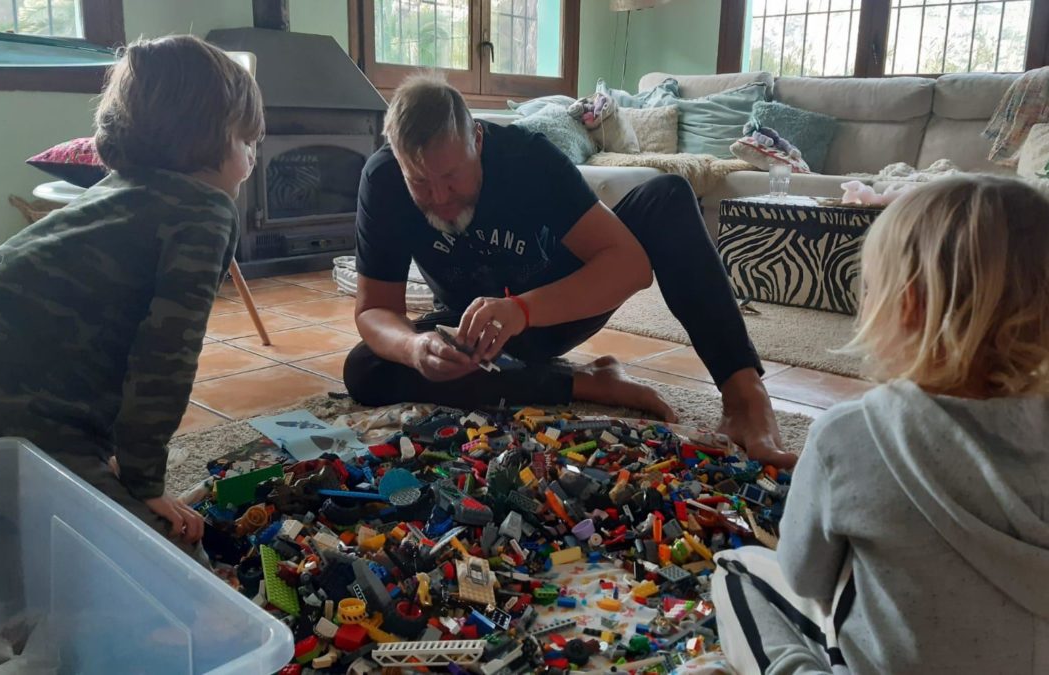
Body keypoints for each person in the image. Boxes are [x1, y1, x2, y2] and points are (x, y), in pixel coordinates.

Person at [343, 74, 794, 468]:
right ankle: (584, 383)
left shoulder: (529, 158)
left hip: (556, 308)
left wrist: (521, 309)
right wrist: (415, 347)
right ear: (397, 160)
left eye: (453, 177)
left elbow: (631, 267)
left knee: (668, 198)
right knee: (365, 368)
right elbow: (375, 311)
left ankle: (743, 397)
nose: (440, 197)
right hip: (474, 339)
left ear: (477, 140)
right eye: (419, 182)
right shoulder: (382, 180)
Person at [712, 175, 1049, 674]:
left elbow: (806, 581)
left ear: (907, 307)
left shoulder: (850, 435)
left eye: (868, 288)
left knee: (736, 572)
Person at [0, 35, 263, 556]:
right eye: (247, 142)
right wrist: (145, 481)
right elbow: (163, 363)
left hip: (6, 401)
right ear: (210, 139)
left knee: (71, 504)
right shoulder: (203, 212)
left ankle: (27, 520)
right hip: (13, 415)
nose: (252, 158)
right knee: (169, 555)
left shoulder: (116, 188)